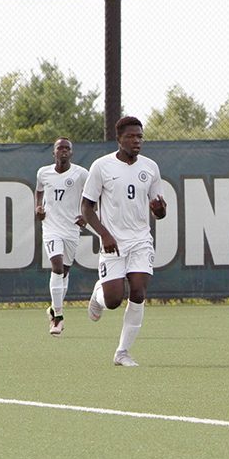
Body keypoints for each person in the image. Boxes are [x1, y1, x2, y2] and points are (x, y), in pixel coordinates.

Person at [81, 116, 167, 367]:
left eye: (140, 136)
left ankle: (122, 353)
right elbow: (86, 208)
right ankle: (97, 297)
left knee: (138, 292)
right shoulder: (102, 166)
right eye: (131, 136)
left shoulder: (150, 167)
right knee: (113, 301)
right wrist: (104, 234)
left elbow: (159, 212)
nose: (137, 141)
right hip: (113, 242)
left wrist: (160, 210)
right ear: (119, 139)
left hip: (141, 239)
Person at [35, 137, 89, 336]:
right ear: (54, 152)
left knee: (64, 272)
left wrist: (86, 216)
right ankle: (58, 317)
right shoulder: (43, 172)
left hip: (71, 228)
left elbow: (95, 196)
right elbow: (39, 191)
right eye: (60, 148)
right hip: (51, 227)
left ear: (71, 153)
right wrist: (38, 208)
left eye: (67, 148)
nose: (64, 151)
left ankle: (52, 308)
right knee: (57, 268)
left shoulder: (81, 174)